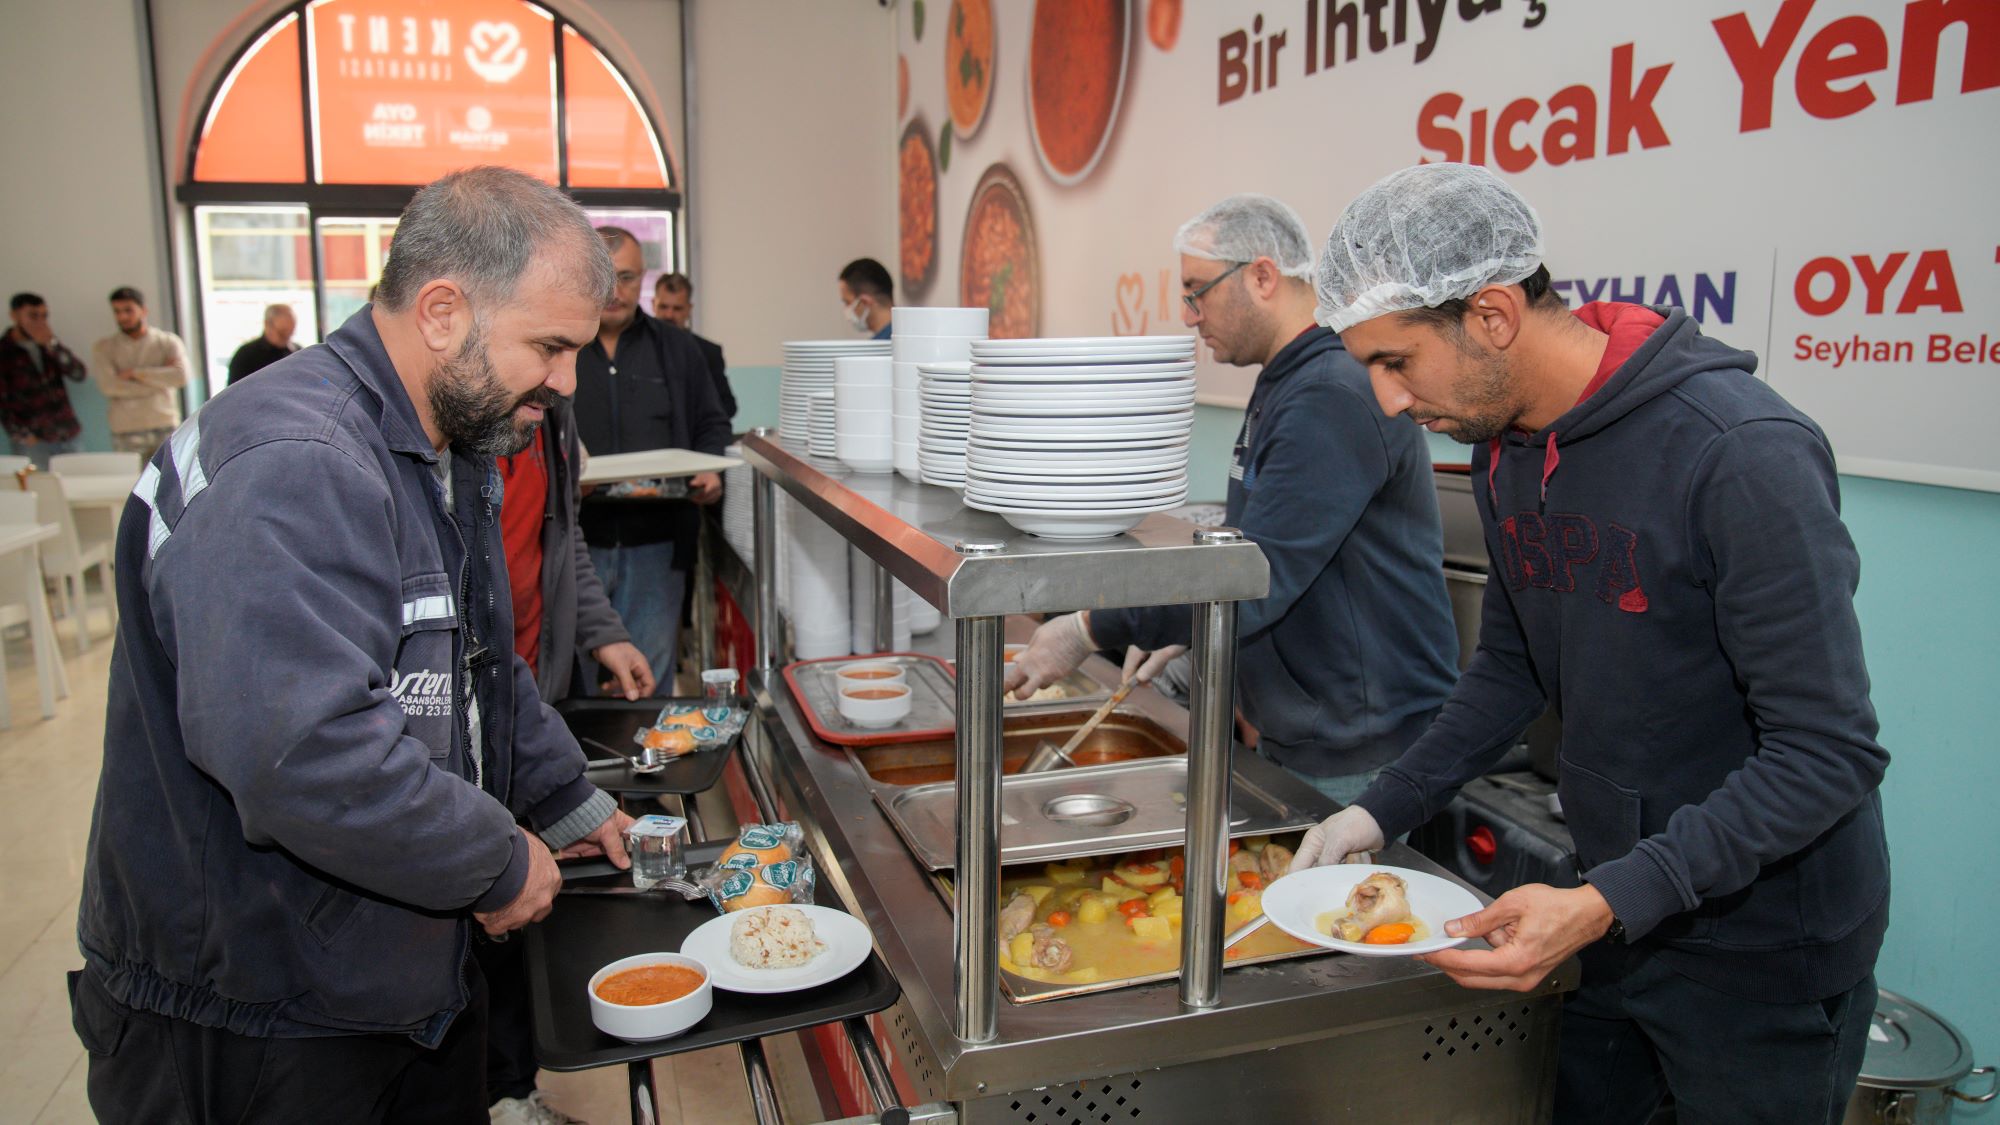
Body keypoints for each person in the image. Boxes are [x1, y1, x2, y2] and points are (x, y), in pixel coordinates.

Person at [1294, 163, 1889, 1125]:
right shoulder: (1503, 450)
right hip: (1616, 905)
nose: (1388, 401)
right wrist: (1381, 809)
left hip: (1765, 952)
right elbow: (1514, 665)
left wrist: (1611, 896)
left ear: (1491, 314)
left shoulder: (1738, 453)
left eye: (1396, 361)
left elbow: (1827, 752)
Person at [73, 166, 635, 1122]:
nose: (568, 381)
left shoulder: (443, 441)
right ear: (444, 311)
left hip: (373, 972)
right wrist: (494, 860)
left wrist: (562, 795)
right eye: (549, 346)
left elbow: (474, 671)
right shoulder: (299, 461)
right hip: (255, 1008)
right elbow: (302, 751)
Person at [1005, 195, 1459, 805]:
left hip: (1362, 747)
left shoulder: (1329, 394)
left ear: (1263, 276)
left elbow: (1258, 577)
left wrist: (1087, 628)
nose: (1190, 315)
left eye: (1197, 291)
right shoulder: (1289, 380)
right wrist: (1189, 626)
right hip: (1316, 726)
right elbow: (1247, 546)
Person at [482, 381, 654, 1125]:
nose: (566, 374)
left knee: (523, 917)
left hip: (527, 694)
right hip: (460, 713)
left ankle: (511, 1092)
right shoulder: (431, 436)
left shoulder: (549, 411)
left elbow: (563, 539)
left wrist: (601, 629)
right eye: (549, 345)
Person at [572, 227, 732, 691]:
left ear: (643, 278)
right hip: (578, 545)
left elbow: (712, 422)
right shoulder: (559, 347)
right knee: (573, 685)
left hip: (658, 545)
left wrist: (709, 466)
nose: (614, 290)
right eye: (602, 276)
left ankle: (651, 764)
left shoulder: (678, 349)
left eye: (625, 277)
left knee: (648, 683)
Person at [90, 286, 189, 460]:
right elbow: (110, 386)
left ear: (143, 310)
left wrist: (135, 374)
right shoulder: (105, 348)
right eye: (117, 311)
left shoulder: (167, 342)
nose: (122, 317)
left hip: (164, 423)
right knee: (133, 484)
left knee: (171, 482)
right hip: (126, 430)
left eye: (128, 310)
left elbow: (180, 377)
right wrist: (159, 383)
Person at [1, 292, 89, 469]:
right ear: (14, 315)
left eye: (44, 316)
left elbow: (78, 374)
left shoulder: (49, 345)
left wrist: (53, 345)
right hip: (33, 441)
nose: (40, 322)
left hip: (67, 433)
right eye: (33, 316)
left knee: (77, 486)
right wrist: (23, 435)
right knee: (43, 489)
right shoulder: (4, 352)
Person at [653, 271, 736, 421]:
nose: (669, 315)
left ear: (689, 309)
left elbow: (728, 406)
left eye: (677, 308)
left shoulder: (708, 353)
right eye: (663, 307)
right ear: (653, 304)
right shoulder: (635, 350)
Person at [226, 302, 300, 384]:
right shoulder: (246, 355)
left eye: (290, 333)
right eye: (282, 332)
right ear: (267, 324)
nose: (286, 338)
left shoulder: (298, 352)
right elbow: (234, 392)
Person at [837, 257, 894, 340]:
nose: (846, 309)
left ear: (865, 302)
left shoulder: (877, 349)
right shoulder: (908, 338)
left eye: (847, 302)